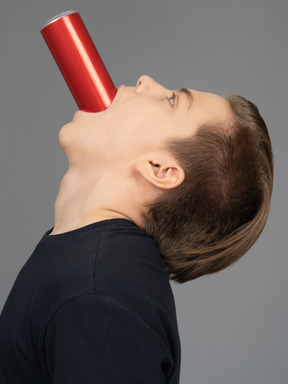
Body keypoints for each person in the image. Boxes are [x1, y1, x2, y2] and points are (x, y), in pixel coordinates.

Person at [0, 75, 273, 383]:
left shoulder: (101, 293)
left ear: (160, 168)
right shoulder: (93, 270)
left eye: (172, 100)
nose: (145, 81)